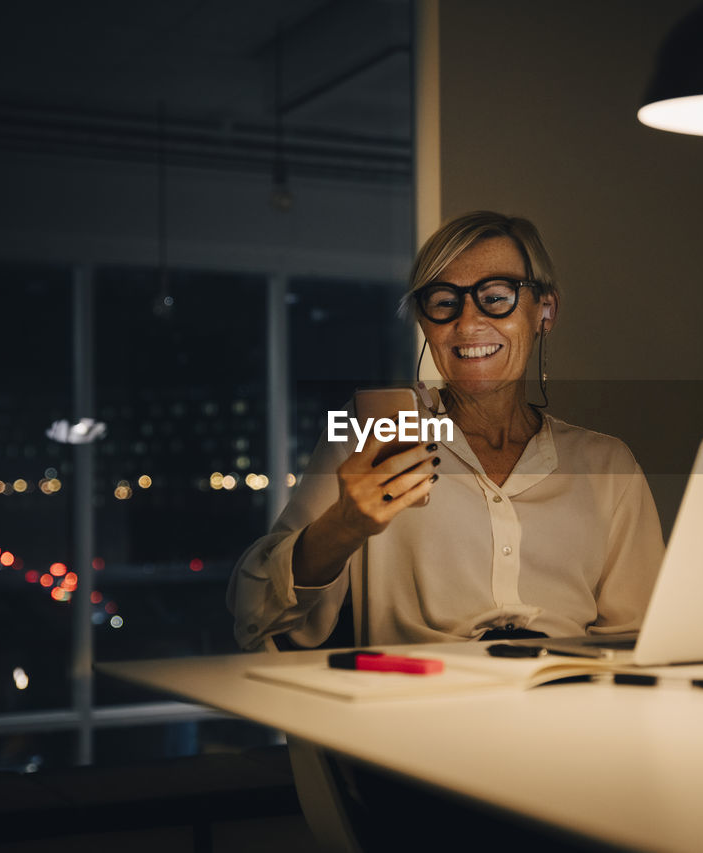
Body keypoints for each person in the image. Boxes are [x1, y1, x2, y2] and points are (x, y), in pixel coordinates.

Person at [228, 211, 664, 649]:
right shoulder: (372, 434)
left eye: (496, 297)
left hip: (567, 704)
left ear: (544, 311)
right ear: (423, 321)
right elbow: (254, 611)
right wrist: (343, 527)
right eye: (443, 301)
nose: (468, 322)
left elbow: (638, 640)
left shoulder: (608, 466)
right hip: (419, 705)